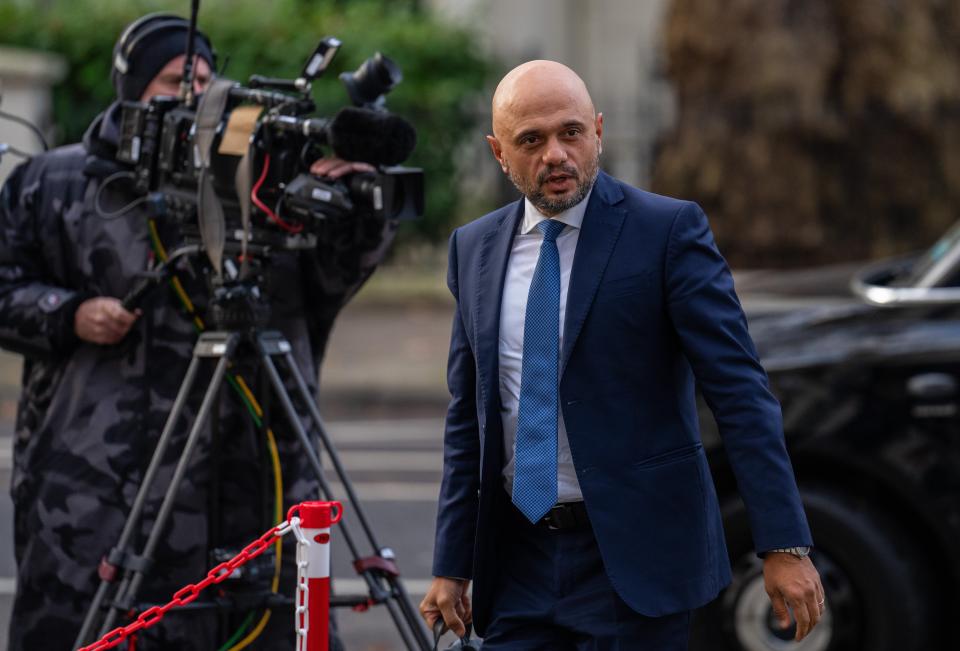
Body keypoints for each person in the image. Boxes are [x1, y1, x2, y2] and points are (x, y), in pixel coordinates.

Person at [0, 13, 391, 650]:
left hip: (254, 490)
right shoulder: (57, 183)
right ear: (130, 89)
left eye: (207, 79)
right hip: (101, 493)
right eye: (175, 79)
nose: (195, 94)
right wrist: (67, 313)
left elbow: (330, 281)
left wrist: (358, 206)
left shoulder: (260, 183)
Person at [420, 60, 824, 649]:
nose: (556, 154)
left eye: (571, 132)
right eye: (531, 140)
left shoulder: (668, 232)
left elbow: (739, 393)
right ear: (498, 152)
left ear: (598, 132)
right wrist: (452, 563)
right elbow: (469, 417)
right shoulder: (473, 248)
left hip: (633, 564)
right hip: (518, 562)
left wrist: (783, 545)